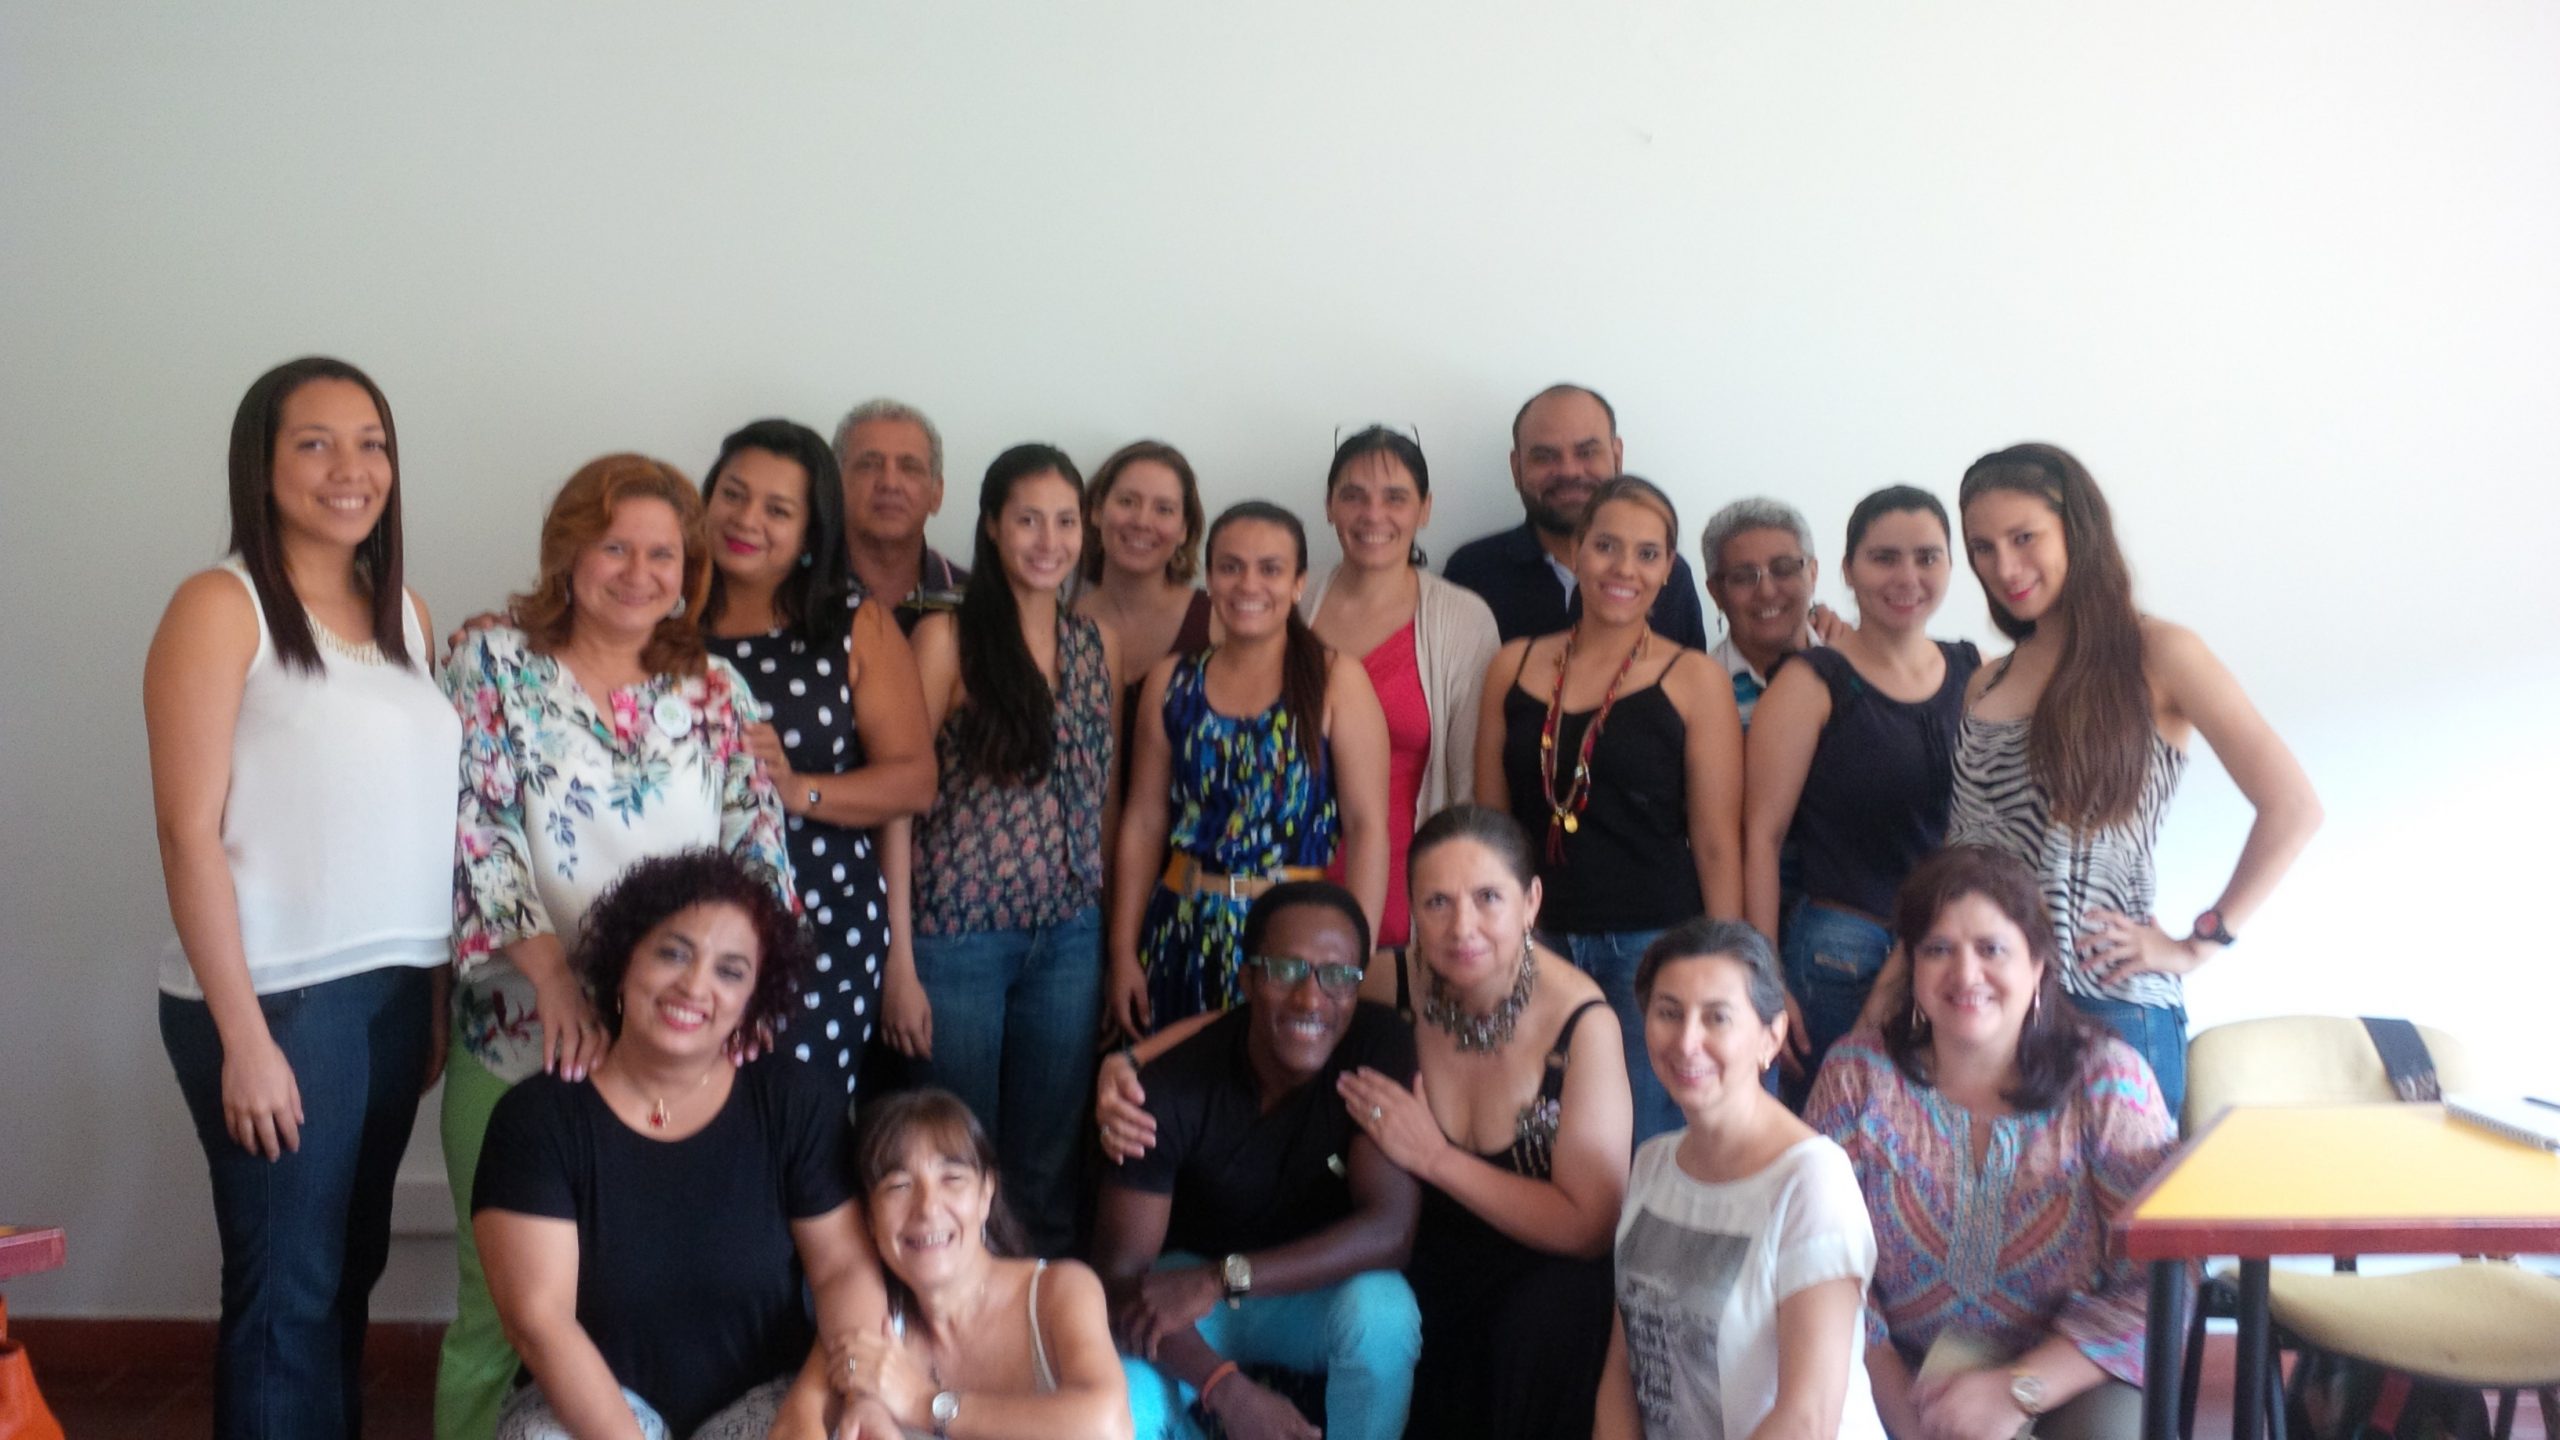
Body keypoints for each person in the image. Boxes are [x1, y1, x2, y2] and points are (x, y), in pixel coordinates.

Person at [438, 454, 796, 1440]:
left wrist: (735, 1000)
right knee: (500, 1311)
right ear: (568, 552)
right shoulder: (492, 664)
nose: (639, 573)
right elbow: (477, 831)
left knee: (646, 1300)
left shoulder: (715, 688)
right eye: (613, 547)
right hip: (524, 1030)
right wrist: (554, 978)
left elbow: (759, 850)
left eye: (662, 554)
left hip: (683, 1048)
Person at [146, 357, 459, 1439]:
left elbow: (414, 826)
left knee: (345, 1278)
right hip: (278, 999)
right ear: (262, 464)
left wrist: (432, 1000)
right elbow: (186, 833)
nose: (350, 468)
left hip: (390, 994)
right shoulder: (219, 605)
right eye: (315, 443)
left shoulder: (405, 612)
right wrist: (243, 1038)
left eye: (371, 443)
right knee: (286, 1294)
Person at [1098, 806, 1630, 1439]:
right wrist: (1132, 1063)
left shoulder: (1582, 1025)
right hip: (1426, 1252)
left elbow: (1591, 1226)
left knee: (1527, 1314)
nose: (1462, 926)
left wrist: (1436, 1160)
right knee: (1393, 1303)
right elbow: (1281, 1010)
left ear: (1531, 901)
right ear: (1413, 908)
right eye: (1437, 902)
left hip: (1533, 1266)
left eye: (1488, 897)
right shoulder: (1390, 979)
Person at [1944, 442, 2322, 1114]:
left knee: (2124, 1192)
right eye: (1983, 547)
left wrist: (2198, 944)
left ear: (2077, 529)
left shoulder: (2159, 653)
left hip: (2112, 1007)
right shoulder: (1987, 680)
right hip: (1989, 1008)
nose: (2004, 566)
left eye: (2024, 537)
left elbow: (2293, 805)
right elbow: (1961, 857)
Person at [472, 851, 894, 1440]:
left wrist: (816, 1402)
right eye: (673, 954)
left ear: (753, 998)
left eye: (730, 971)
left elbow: (843, 1270)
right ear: (623, 963)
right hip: (592, 1410)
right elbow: (539, 1323)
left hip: (768, 1399)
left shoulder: (794, 1101)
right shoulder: (538, 1121)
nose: (696, 985)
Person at [1807, 845, 2177, 1440]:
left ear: (2038, 967)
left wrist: (2018, 1390)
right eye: (1938, 949)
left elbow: (2163, 1281)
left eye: (1992, 949)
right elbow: (1823, 1263)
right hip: (1891, 1370)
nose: (1965, 974)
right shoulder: (1856, 1076)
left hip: (2064, 1372)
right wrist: (1901, 1411)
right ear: (1912, 969)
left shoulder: (2109, 1083)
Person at [881, 443, 1122, 1256]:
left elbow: (1106, 797)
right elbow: (897, 803)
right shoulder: (946, 639)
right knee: (955, 1159)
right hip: (956, 940)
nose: (1049, 541)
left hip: (1070, 936)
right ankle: (955, 1320)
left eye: (1065, 521)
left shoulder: (1098, 644)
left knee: (1048, 1166)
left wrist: (1109, 938)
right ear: (990, 525)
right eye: (1028, 520)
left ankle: (1042, 1317)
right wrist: (899, 962)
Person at [1093, 882, 1424, 1440]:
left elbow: (1390, 1231)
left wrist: (1224, 1278)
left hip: (1302, 1287)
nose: (1312, 999)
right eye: (1285, 970)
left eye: (1336, 975)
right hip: (1184, 1297)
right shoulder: (1167, 1089)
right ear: (1246, 980)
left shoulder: (1376, 1044)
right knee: (1117, 1404)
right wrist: (1226, 1388)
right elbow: (1120, 1279)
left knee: (1385, 1312)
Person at [1477, 475, 1744, 1146]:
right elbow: (1491, 829)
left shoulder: (1695, 678)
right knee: (1540, 1136)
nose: (1625, 568)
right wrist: (1498, 939)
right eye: (1606, 546)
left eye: (1647, 554)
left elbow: (1716, 841)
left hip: (1651, 947)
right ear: (1575, 552)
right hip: (1536, 943)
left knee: (1645, 1141)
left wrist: (1730, 965)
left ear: (1667, 571)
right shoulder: (1512, 665)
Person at [700, 419, 937, 1100]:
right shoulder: (660, 612)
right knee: (679, 1115)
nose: (747, 519)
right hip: (679, 922)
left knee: (795, 1117)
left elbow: (915, 782)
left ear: (811, 533)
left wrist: (799, 788)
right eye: (733, 495)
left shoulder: (854, 624)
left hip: (821, 920)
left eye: (777, 510)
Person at [1596, 918, 1884, 1440]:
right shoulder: (1653, 1163)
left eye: (1718, 1018)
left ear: (1771, 1037)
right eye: (1669, 1013)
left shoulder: (1812, 1181)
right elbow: (1625, 1367)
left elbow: (1808, 1418)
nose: (1687, 1041)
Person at [1109, 502, 1390, 1034]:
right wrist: (1123, 951)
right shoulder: (1172, 681)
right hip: (1179, 929)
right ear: (1209, 578)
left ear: (1299, 583)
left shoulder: (1336, 680)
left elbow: (1368, 828)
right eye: (1231, 567)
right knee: (1169, 1080)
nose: (1248, 584)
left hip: (1291, 943)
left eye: (1270, 569)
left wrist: (1353, 960)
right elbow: (1144, 821)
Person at [1743, 486, 1980, 1087]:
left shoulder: (1973, 671)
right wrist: (1764, 979)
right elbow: (1761, 838)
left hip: (1957, 950)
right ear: (1847, 570)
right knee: (1833, 1132)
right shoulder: (1811, 682)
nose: (1907, 577)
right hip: (1843, 953)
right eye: (1884, 558)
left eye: (1927, 557)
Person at [830, 1089, 1133, 1440]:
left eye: (952, 1179)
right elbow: (819, 1393)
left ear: (986, 1193)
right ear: (869, 1219)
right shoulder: (868, 1309)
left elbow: (1109, 1427)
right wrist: (861, 1401)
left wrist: (923, 1402)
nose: (927, 1207)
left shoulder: (1059, 1291)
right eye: (899, 1185)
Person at [1302, 428, 1501, 954]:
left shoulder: (1463, 620)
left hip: (1411, 901)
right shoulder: (1291, 604)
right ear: (1329, 506)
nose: (1373, 515)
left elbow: (1471, 785)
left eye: (1395, 497)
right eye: (1353, 495)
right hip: (1288, 890)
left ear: (1425, 509)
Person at [1442, 384, 1707, 648]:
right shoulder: (1472, 573)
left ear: (1617, 457)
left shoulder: (1667, 577)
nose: (1569, 471)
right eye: (1544, 457)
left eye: (1586, 453)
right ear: (1516, 467)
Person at [1075, 439, 1214, 793]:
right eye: (1127, 502)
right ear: (1095, 511)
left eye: (1163, 509)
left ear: (1184, 529)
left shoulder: (1218, 623)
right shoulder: (1057, 625)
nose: (1141, 521)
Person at [837, 398, 969, 632]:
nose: (890, 483)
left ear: (936, 493)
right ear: (835, 485)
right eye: (869, 465)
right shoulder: (794, 591)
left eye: (910, 467)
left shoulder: (977, 601)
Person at [1697, 498, 1827, 730]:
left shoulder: (1857, 666)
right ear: (1715, 592)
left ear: (1813, 573)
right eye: (1743, 577)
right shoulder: (1696, 695)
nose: (1766, 592)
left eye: (1783, 569)